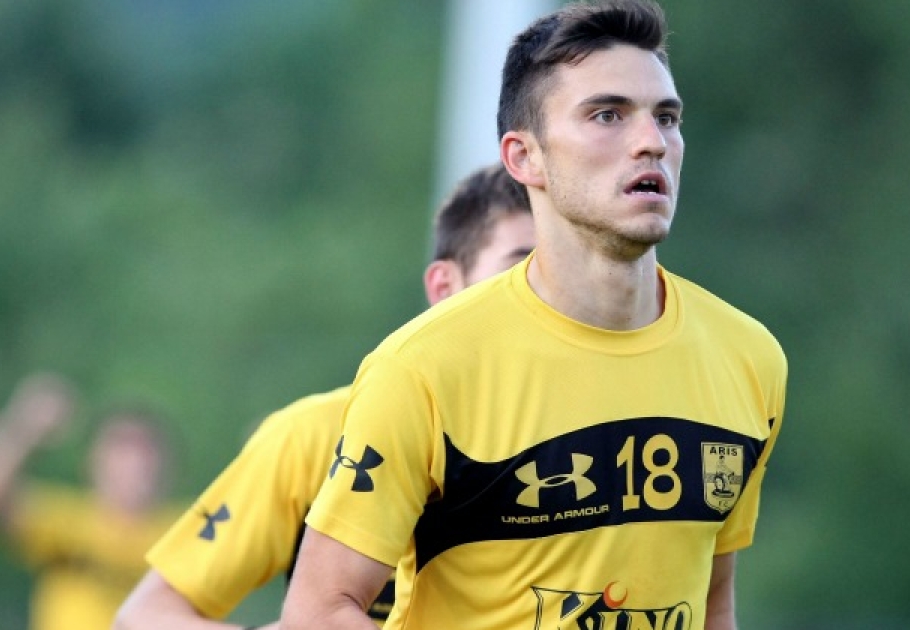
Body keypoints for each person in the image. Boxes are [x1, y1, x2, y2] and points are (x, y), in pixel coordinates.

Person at [279, 1, 788, 629]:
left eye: (666, 118)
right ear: (524, 157)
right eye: (607, 115)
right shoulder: (423, 368)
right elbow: (318, 611)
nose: (652, 142)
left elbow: (712, 601)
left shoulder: (749, 357)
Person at [111, 162, 535, 630]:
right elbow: (142, 617)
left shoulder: (589, 427)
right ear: (445, 286)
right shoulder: (313, 436)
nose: (541, 295)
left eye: (556, 275)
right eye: (519, 269)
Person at [0, 373, 178, 630]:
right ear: (91, 460)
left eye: (144, 448)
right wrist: (23, 427)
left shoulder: (184, 532)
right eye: (120, 447)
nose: (133, 462)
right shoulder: (68, 522)